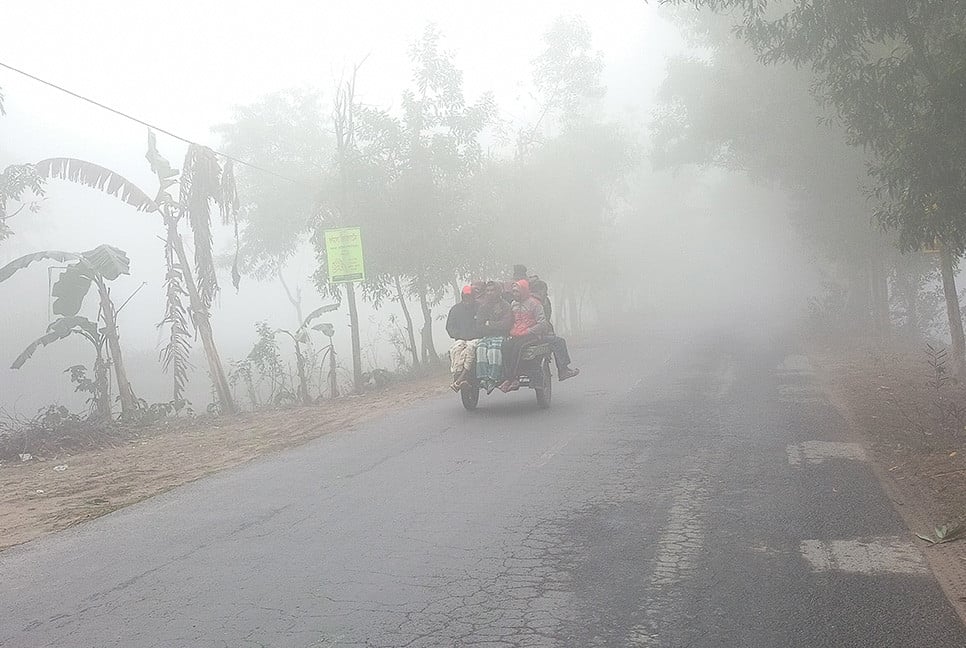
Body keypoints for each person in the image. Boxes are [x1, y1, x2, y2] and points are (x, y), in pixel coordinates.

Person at [500, 279, 550, 392]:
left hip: (532, 335)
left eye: (517, 291)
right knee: (505, 346)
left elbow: (542, 324)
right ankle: (507, 377)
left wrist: (528, 331)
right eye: (513, 291)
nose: (514, 294)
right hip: (518, 335)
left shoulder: (535, 304)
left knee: (518, 348)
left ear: (523, 291)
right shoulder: (513, 304)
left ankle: (513, 378)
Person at [530, 279, 579, 381]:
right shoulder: (537, 303)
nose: (546, 293)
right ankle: (563, 370)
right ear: (540, 290)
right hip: (535, 335)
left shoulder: (525, 300)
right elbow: (542, 322)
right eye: (544, 290)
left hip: (525, 334)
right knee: (559, 342)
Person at [474, 281, 513, 394]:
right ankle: (483, 378)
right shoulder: (483, 307)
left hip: (502, 336)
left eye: (492, 290)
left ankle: (493, 378)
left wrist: (489, 324)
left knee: (493, 351)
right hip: (486, 337)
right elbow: (479, 326)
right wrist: (493, 325)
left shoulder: (505, 306)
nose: (490, 293)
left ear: (498, 291)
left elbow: (506, 325)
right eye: (488, 290)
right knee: (480, 349)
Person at [446, 285, 480, 391]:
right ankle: (457, 376)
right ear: (462, 296)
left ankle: (461, 378)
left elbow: (483, 325)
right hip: (461, 339)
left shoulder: (480, 308)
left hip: (476, 339)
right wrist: (459, 335)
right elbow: (449, 327)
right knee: (455, 350)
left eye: (469, 296)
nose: (467, 298)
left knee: (469, 349)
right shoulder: (455, 309)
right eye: (465, 296)